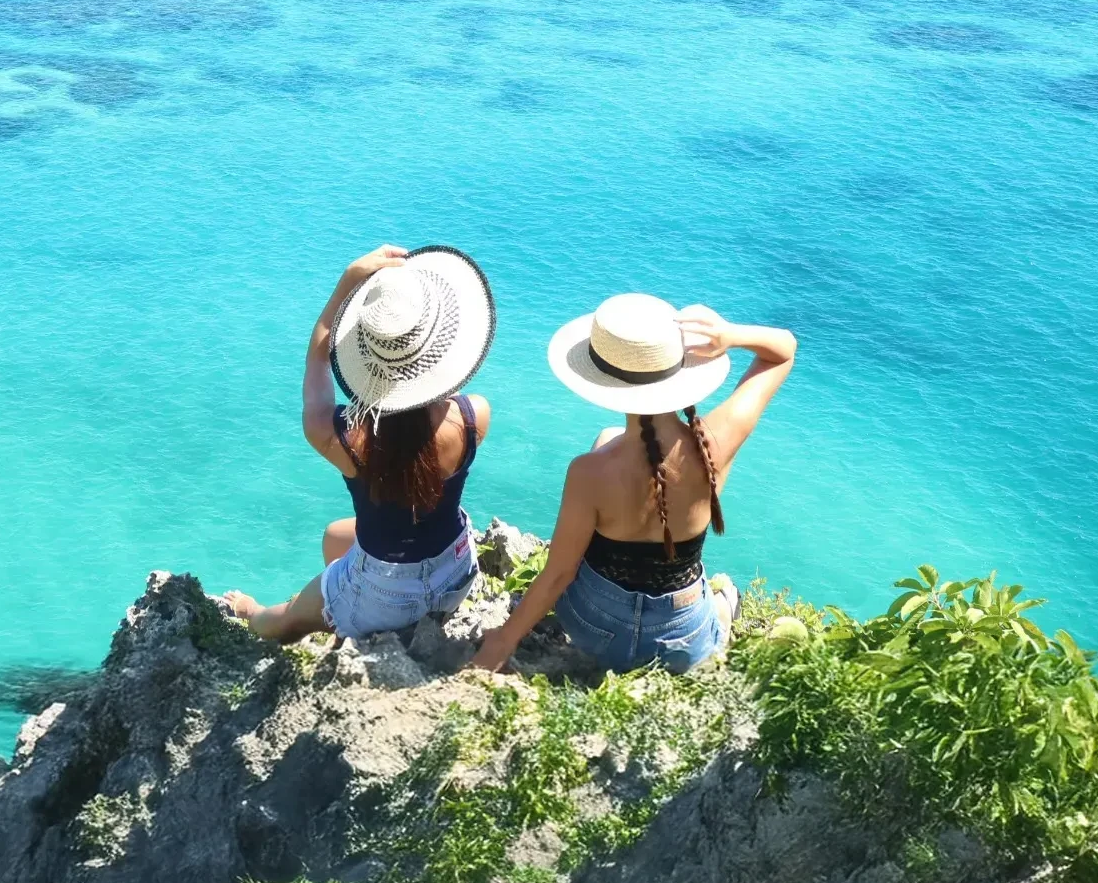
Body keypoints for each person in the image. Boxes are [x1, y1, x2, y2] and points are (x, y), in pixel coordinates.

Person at [469, 293, 795, 675]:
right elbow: (783, 350)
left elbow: (559, 574)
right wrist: (728, 335)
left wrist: (504, 640)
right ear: (679, 373)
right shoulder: (717, 442)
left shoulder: (588, 473)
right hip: (682, 641)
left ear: (605, 382)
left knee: (606, 442)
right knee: (722, 596)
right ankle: (722, 610)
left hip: (594, 629)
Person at [222, 244, 495, 643]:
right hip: (454, 572)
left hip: (389, 599)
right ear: (438, 352)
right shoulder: (474, 416)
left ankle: (254, 613)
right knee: (336, 536)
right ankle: (349, 596)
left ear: (366, 359)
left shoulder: (343, 439)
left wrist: (345, 285)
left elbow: (317, 359)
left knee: (283, 621)